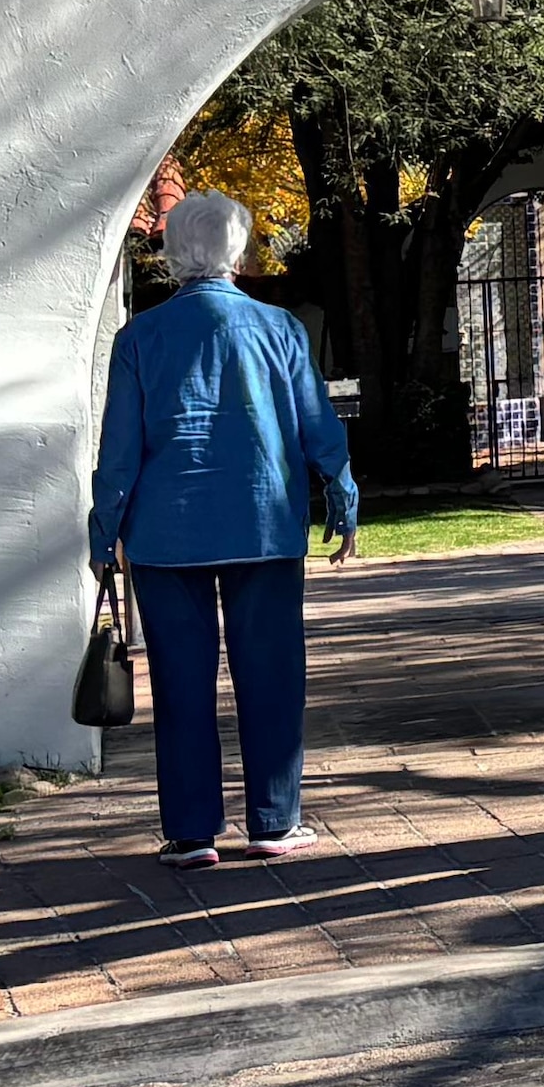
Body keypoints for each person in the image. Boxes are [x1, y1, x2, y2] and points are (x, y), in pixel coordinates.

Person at [88, 191, 361, 864]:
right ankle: (274, 820)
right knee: (272, 676)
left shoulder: (139, 338)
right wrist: (343, 496)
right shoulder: (280, 329)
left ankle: (191, 832)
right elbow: (318, 424)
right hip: (261, 521)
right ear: (238, 252)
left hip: (165, 532)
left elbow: (118, 451)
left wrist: (104, 533)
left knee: (180, 684)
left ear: (171, 252)